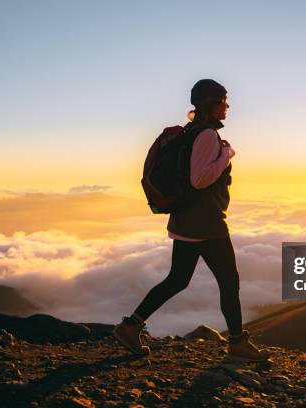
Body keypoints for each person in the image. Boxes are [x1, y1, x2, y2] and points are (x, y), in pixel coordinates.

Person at [113, 79, 270, 362]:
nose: (228, 105)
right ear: (211, 103)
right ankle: (237, 344)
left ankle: (130, 326)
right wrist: (226, 154)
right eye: (224, 99)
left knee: (177, 280)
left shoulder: (191, 132)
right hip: (206, 223)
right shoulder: (208, 136)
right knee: (229, 281)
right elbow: (199, 180)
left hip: (187, 221)